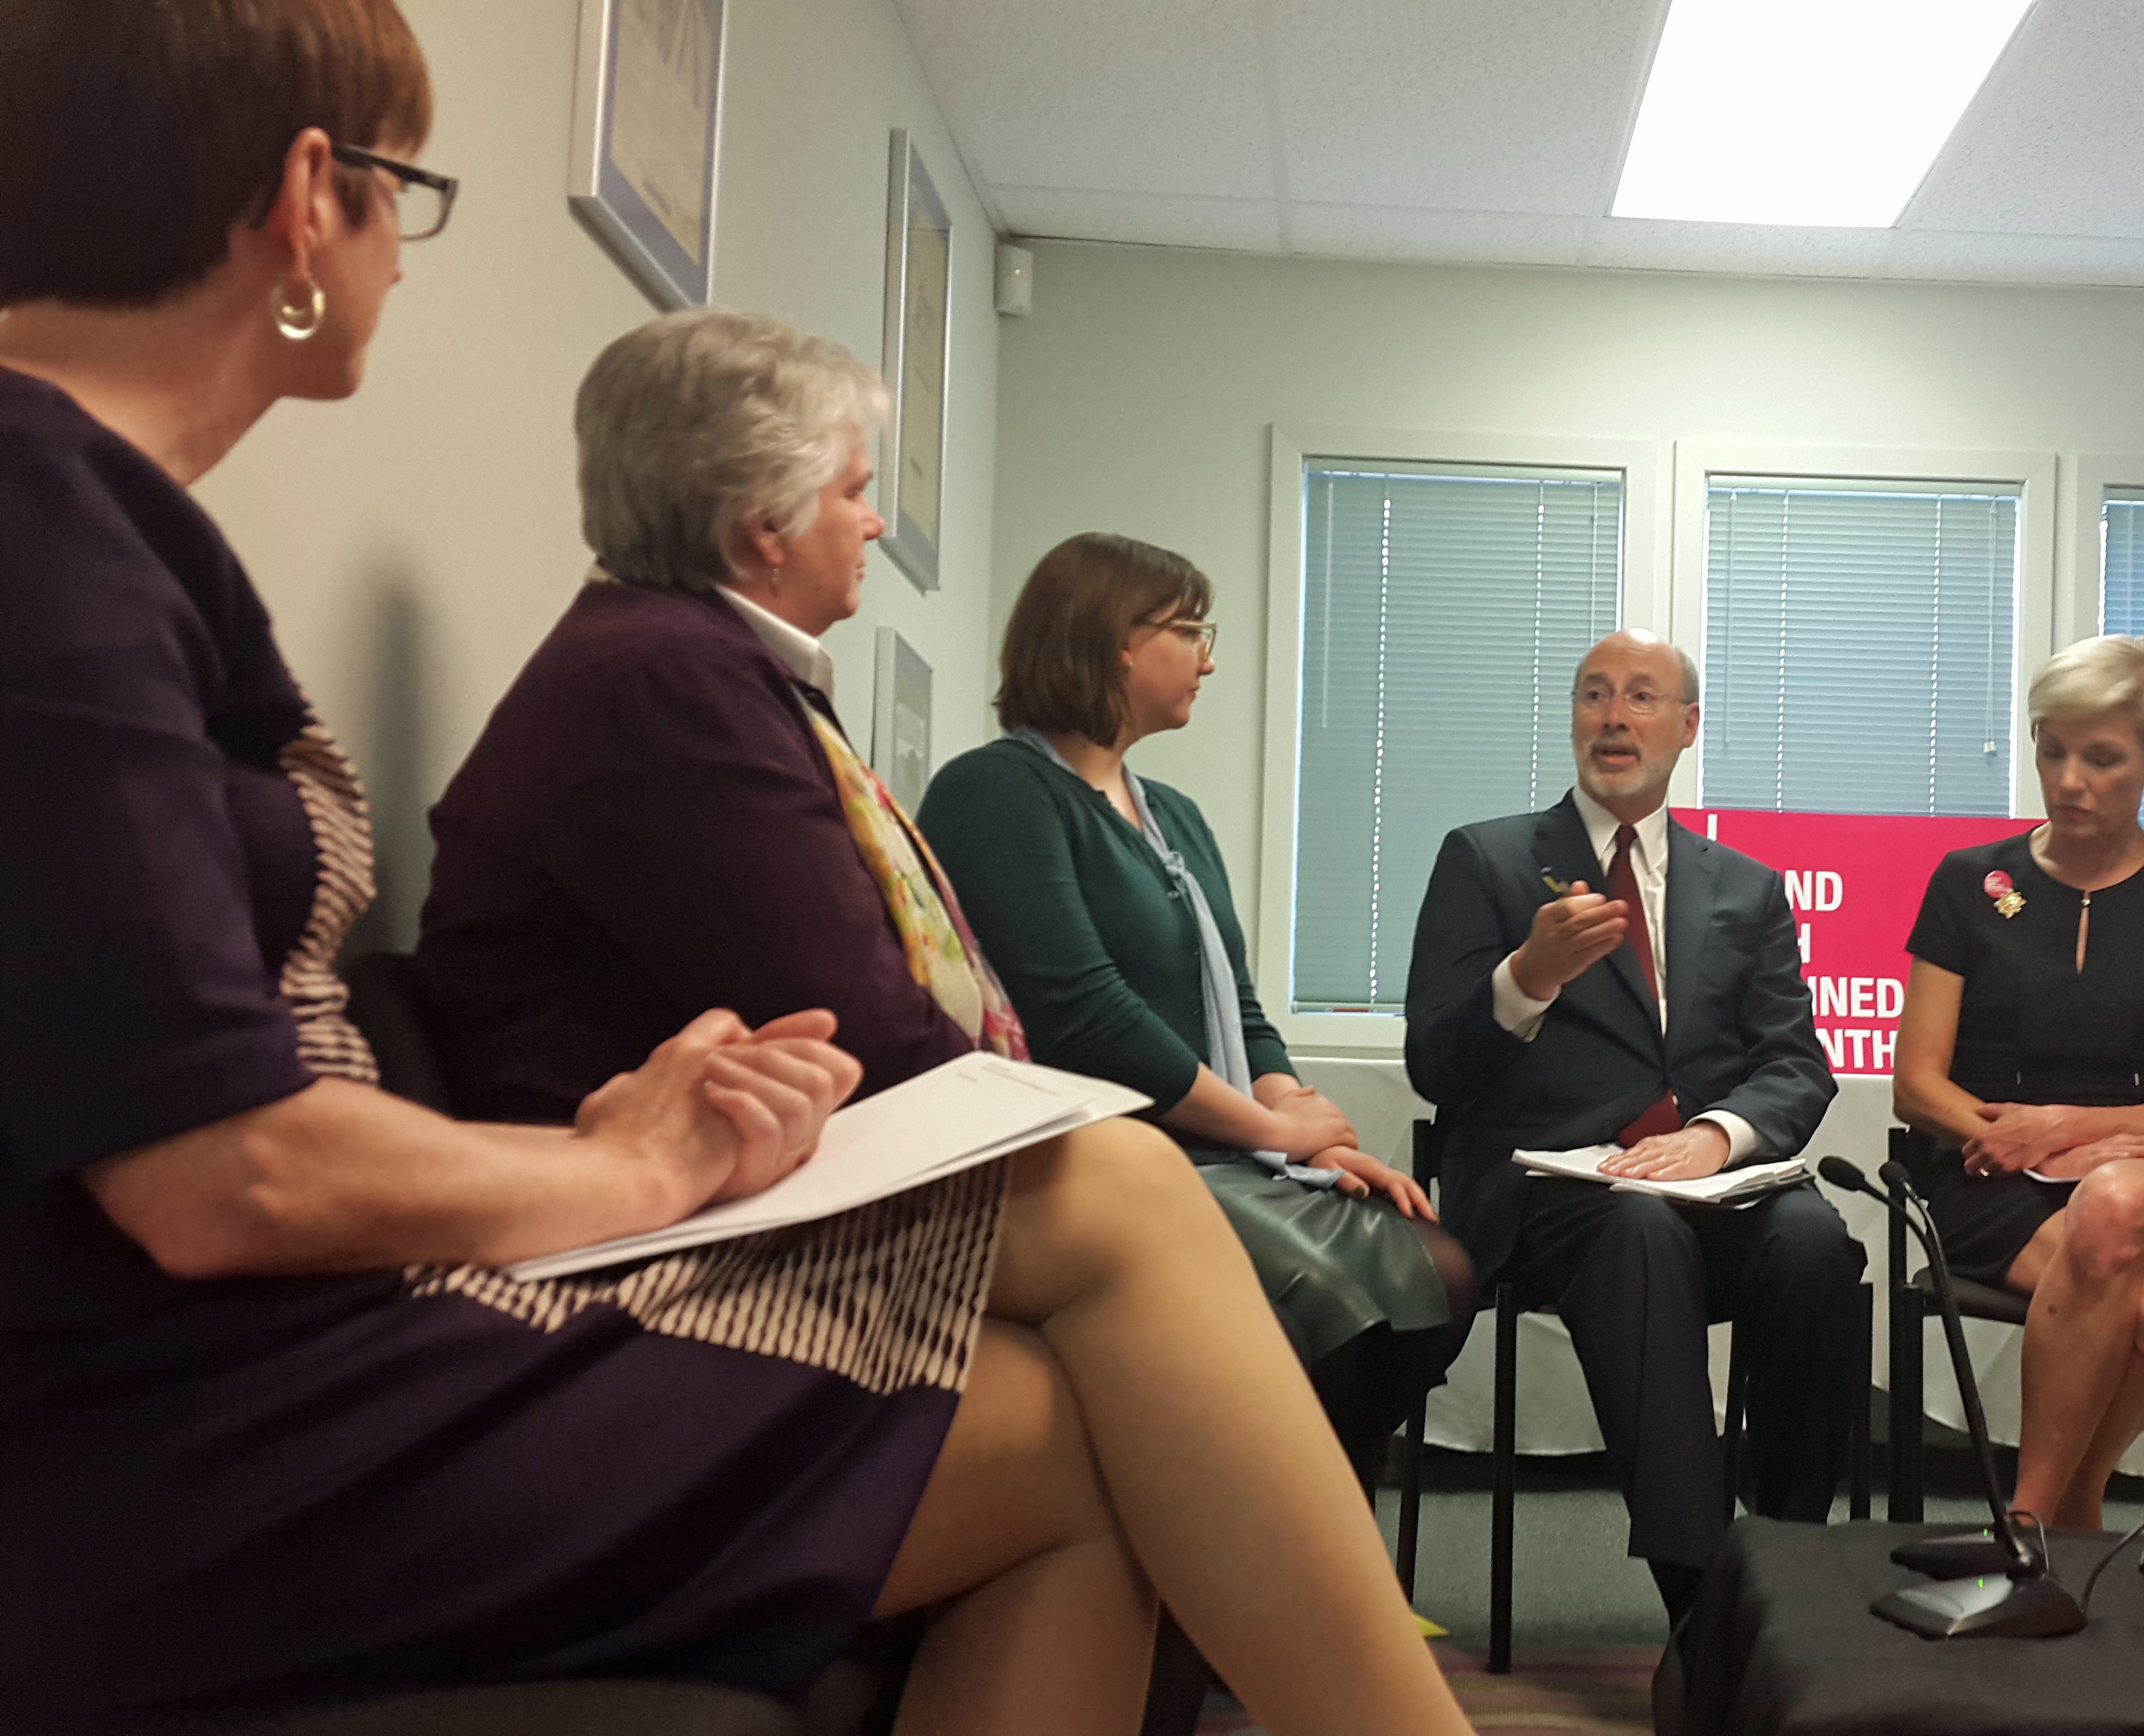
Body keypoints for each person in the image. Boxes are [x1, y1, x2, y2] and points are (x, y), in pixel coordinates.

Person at [0, 9, 1469, 1732]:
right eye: (406, 191)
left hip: (257, 1351)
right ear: (310, 203)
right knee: (1120, 1229)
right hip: (175, 1429)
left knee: (1091, 1409)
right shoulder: (51, 530)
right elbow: (218, 1178)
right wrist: (610, 1166)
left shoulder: (95, 521)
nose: (402, 249)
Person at [916, 531, 1473, 1471]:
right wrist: (1271, 1131)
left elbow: (1240, 1006)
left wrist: (1302, 1113)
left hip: (1214, 1146)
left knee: (1440, 1272)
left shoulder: (1171, 813)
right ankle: (1260, 1586)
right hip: (1100, 1161)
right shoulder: (996, 794)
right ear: (1112, 642)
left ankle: (1311, 1584)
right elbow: (1087, 1021)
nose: (1208, 657)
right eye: (1190, 630)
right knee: (1339, 1319)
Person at [413, 307, 1008, 1122]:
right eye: (856, 493)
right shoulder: (670, 681)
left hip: (721, 1172)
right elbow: (861, 1027)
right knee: (1127, 1178)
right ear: (768, 522)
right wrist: (1022, 1120)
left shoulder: (673, 659)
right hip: (635, 1218)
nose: (872, 523)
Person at [1403, 629, 1860, 1623]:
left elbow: (1796, 1065)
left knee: (1818, 1247)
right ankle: (1700, 1601)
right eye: (1595, 695)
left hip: (1712, 1179)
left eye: (1642, 697)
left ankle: (1785, 1567)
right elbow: (1435, 1067)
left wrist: (1719, 1135)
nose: (1614, 716)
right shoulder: (1486, 861)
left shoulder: (1745, 886)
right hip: (1551, 1193)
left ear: (1687, 726)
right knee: (1638, 1233)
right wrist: (1526, 979)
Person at [1890, 634, 2144, 1530]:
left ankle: (2020, 1525)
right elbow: (1916, 1085)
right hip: (1993, 1181)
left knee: (2117, 1203)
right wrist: (2015, 1138)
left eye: (2102, 757)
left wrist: (2065, 1129)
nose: (2070, 781)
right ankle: (2080, 1510)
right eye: (2051, 750)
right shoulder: (1970, 883)